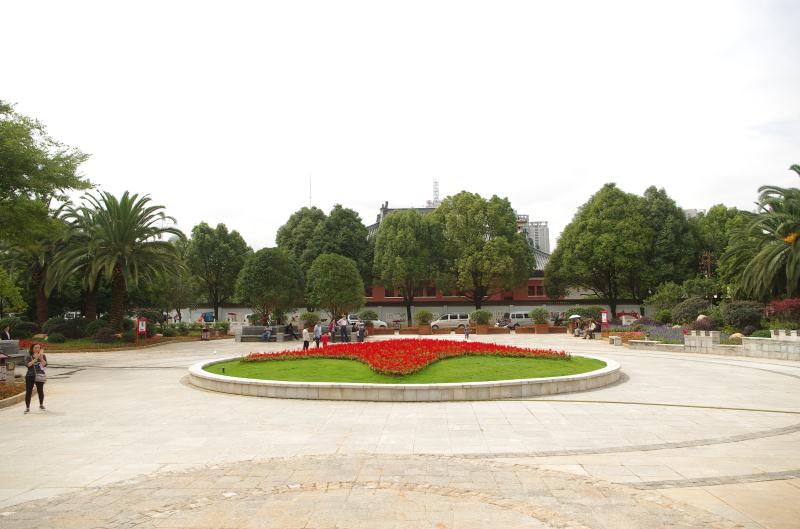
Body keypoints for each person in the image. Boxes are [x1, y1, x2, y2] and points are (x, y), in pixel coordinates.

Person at [24, 343, 47, 414]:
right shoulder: (28, 356)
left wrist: (41, 358)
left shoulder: (43, 355)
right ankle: (27, 407)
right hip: (30, 375)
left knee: (40, 391)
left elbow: (44, 364)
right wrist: (35, 359)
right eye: (36, 348)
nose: (37, 349)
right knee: (29, 391)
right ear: (32, 349)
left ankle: (41, 405)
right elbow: (27, 365)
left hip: (40, 375)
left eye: (39, 348)